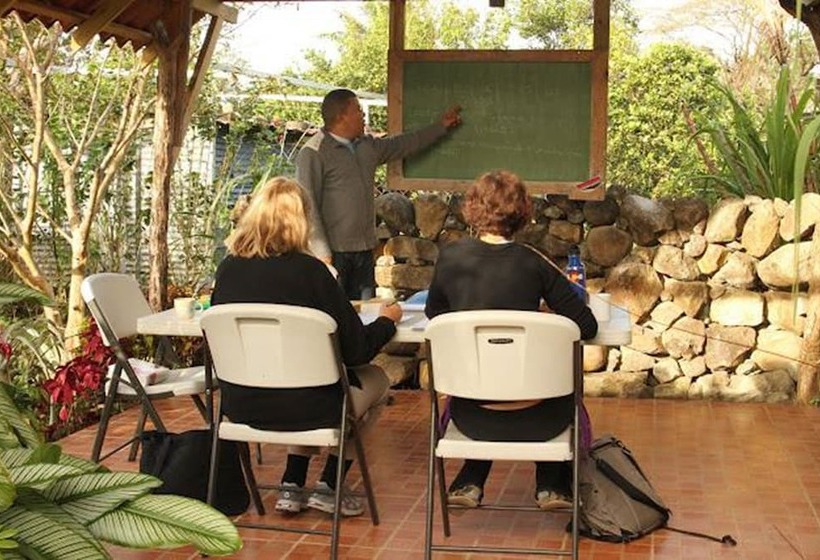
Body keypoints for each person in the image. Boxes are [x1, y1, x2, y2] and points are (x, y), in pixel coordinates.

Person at [210, 177, 403, 517]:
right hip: (311, 406)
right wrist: (387, 320)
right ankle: (330, 484)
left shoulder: (227, 271)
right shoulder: (313, 274)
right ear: (302, 220)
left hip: (242, 405)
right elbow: (357, 351)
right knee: (375, 381)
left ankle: (292, 481)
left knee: (305, 380)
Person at [424, 170, 598, 510]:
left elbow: (436, 315)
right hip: (542, 419)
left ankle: (470, 479)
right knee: (554, 384)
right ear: (523, 213)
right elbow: (586, 325)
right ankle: (551, 484)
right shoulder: (535, 263)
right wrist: (545, 320)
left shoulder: (451, 258)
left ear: (472, 209)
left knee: (490, 381)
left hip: (470, 414)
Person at [296, 88, 462, 300]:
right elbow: (306, 205)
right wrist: (322, 253)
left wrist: (441, 127)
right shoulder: (314, 153)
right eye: (357, 109)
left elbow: (403, 144)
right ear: (341, 116)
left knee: (365, 313)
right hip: (333, 254)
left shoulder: (366, 146)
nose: (363, 114)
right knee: (335, 316)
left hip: (364, 250)